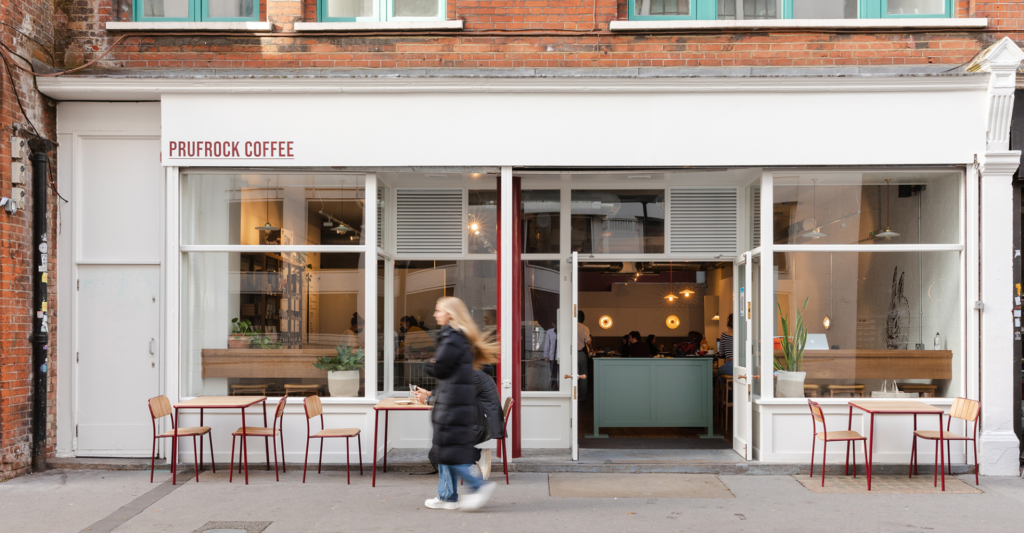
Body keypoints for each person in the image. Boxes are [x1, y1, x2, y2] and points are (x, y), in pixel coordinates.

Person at [422, 297, 499, 511]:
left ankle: (478, 485)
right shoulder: (458, 338)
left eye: (439, 310)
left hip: (457, 410)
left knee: (449, 452)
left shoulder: (453, 338)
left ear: (450, 314)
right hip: (455, 406)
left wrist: (429, 363)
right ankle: (447, 496)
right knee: (444, 451)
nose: (436, 314)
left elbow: (440, 369)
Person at [576, 311, 591, 398]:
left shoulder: (570, 326)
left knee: (572, 375)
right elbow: (588, 342)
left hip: (570, 354)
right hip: (581, 353)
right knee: (583, 375)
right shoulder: (584, 328)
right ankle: (581, 396)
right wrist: (591, 349)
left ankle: (573, 395)